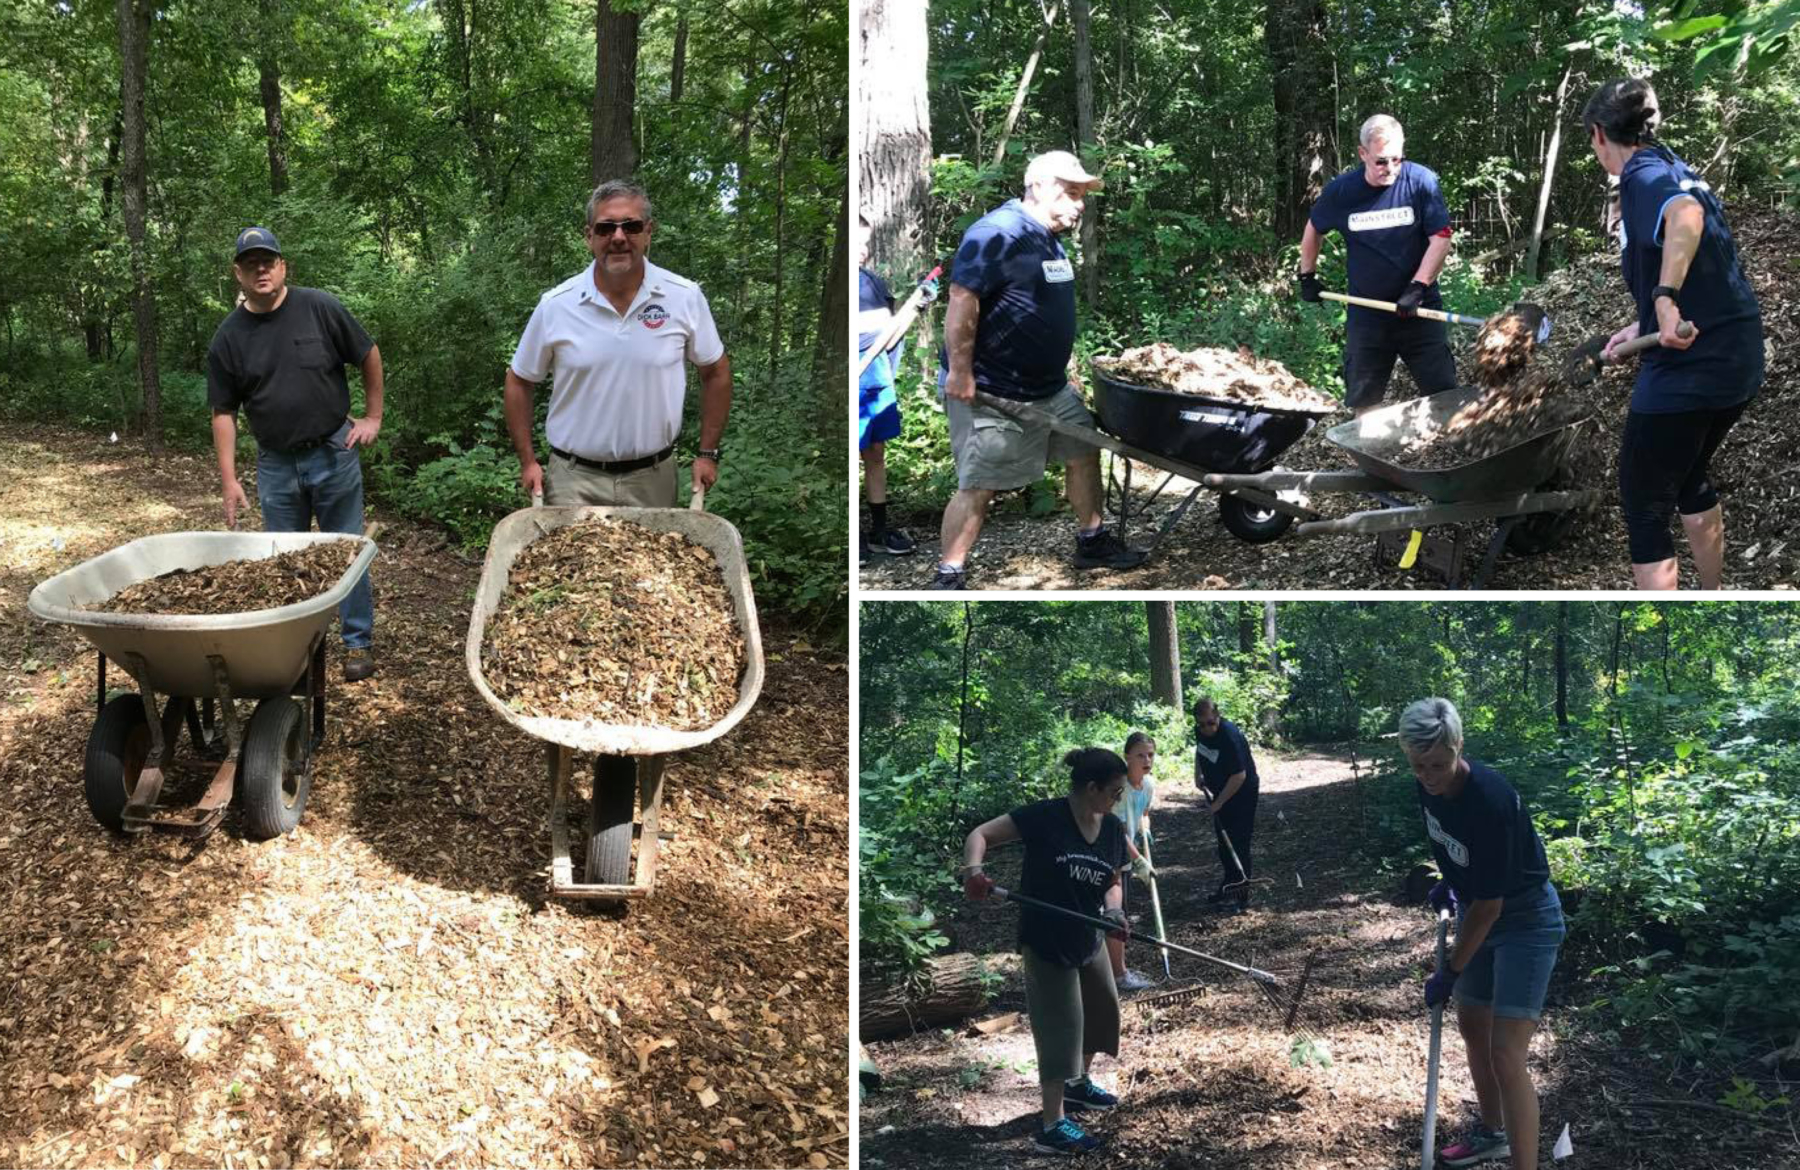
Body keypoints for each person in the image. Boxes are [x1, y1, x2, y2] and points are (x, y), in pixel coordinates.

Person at [929, 150, 1145, 589]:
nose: (1079, 204)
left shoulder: (1047, 236)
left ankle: (1092, 540)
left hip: (1049, 389)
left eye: (1083, 195)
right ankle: (948, 573)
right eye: (1071, 192)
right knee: (980, 483)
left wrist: (1062, 365)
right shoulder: (996, 233)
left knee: (1084, 449)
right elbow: (961, 298)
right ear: (1040, 186)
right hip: (993, 389)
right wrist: (960, 372)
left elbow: (1038, 305)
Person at [1582, 79, 1763, 590]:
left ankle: (1661, 619)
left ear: (1598, 135)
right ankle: (1710, 598)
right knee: (1688, 476)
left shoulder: (1641, 176)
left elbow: (1687, 218)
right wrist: (1640, 324)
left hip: (1694, 367)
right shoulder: (1675, 166)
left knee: (1643, 503)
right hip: (1739, 353)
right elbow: (1701, 266)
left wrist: (1662, 299)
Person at [205, 226, 382, 682]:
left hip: (333, 451)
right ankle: (297, 651)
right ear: (238, 274)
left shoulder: (318, 308)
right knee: (286, 561)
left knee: (348, 551)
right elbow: (222, 411)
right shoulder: (229, 337)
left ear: (283, 266)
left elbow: (367, 352)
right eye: (251, 264)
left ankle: (357, 643)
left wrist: (372, 417)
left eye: (268, 261)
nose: (260, 269)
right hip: (276, 465)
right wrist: (229, 479)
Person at [1400, 697, 1565, 1170]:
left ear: (1459, 748)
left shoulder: (1490, 801)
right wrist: (1451, 883)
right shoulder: (1426, 784)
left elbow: (1491, 907)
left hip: (1525, 922)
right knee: (1474, 1027)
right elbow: (1451, 845)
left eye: (1437, 764)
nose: (1428, 775)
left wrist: (1451, 970)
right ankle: (1492, 1135)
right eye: (1418, 766)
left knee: (1506, 1052)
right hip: (1479, 910)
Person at [963, 747, 1148, 1155]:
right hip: (1046, 937)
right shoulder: (1045, 817)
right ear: (1090, 787)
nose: (1117, 799)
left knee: (1101, 1009)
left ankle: (1079, 1085)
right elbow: (980, 835)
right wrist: (974, 872)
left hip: (1089, 932)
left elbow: (1112, 878)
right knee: (1061, 1026)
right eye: (1113, 792)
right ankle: (1052, 1125)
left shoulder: (1113, 829)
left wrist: (1114, 910)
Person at [504, 179, 732, 508]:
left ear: (649, 231)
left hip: (653, 480)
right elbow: (519, 379)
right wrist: (528, 462)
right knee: (566, 562)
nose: (619, 237)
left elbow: (716, 372)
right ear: (589, 237)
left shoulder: (683, 297)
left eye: (632, 226)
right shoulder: (557, 304)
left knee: (656, 562)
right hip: (572, 481)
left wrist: (707, 454)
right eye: (606, 228)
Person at [1298, 114, 1457, 415]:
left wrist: (1418, 286)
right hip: (1368, 314)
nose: (1391, 169)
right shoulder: (1342, 192)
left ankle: (1450, 456)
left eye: (1397, 160)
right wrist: (1307, 275)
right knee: (1364, 399)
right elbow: (1313, 229)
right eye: (1381, 161)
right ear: (1362, 154)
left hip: (1419, 309)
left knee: (1443, 393)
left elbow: (1441, 238)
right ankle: (1370, 458)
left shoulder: (1422, 182)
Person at [857, 211, 917, 564]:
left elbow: (892, 336)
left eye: (867, 243)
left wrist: (916, 306)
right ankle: (855, 541)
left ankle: (879, 531)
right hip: (857, 382)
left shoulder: (873, 282)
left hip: (877, 380)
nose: (863, 250)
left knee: (876, 454)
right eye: (858, 244)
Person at [1192, 696, 1258, 913]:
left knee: (1238, 842)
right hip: (1220, 789)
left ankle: (1241, 895)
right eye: (1201, 724)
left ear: (1218, 717)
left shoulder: (1229, 735)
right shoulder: (1200, 731)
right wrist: (1198, 774)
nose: (1206, 729)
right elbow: (1200, 750)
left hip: (1242, 793)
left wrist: (1218, 803)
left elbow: (1239, 775)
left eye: (1211, 723)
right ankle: (1228, 885)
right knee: (1223, 842)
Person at [1107, 732, 1157, 993]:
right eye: (1140, 755)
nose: (1146, 759)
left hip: (1126, 853)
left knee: (1121, 909)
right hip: (1111, 854)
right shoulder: (1120, 788)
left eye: (1150, 754)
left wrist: (1145, 826)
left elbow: (1144, 813)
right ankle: (1119, 974)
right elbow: (1118, 830)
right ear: (1127, 756)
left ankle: (1114, 968)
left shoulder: (1147, 785)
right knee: (1115, 912)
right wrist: (1138, 859)